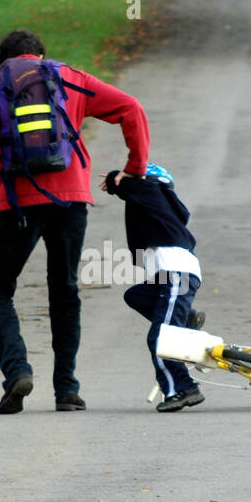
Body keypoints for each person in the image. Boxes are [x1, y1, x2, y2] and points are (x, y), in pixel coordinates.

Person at [0, 30, 149, 414]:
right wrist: (135, 169)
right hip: (71, 200)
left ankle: (17, 372)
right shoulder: (69, 77)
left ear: (4, 61)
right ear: (43, 55)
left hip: (16, 203)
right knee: (64, 289)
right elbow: (130, 107)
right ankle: (66, 389)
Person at [101, 164, 207, 413]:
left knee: (160, 338)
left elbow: (135, 184)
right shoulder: (153, 208)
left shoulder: (153, 193)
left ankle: (182, 389)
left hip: (176, 275)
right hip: (170, 275)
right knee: (135, 295)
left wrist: (116, 177)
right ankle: (186, 319)